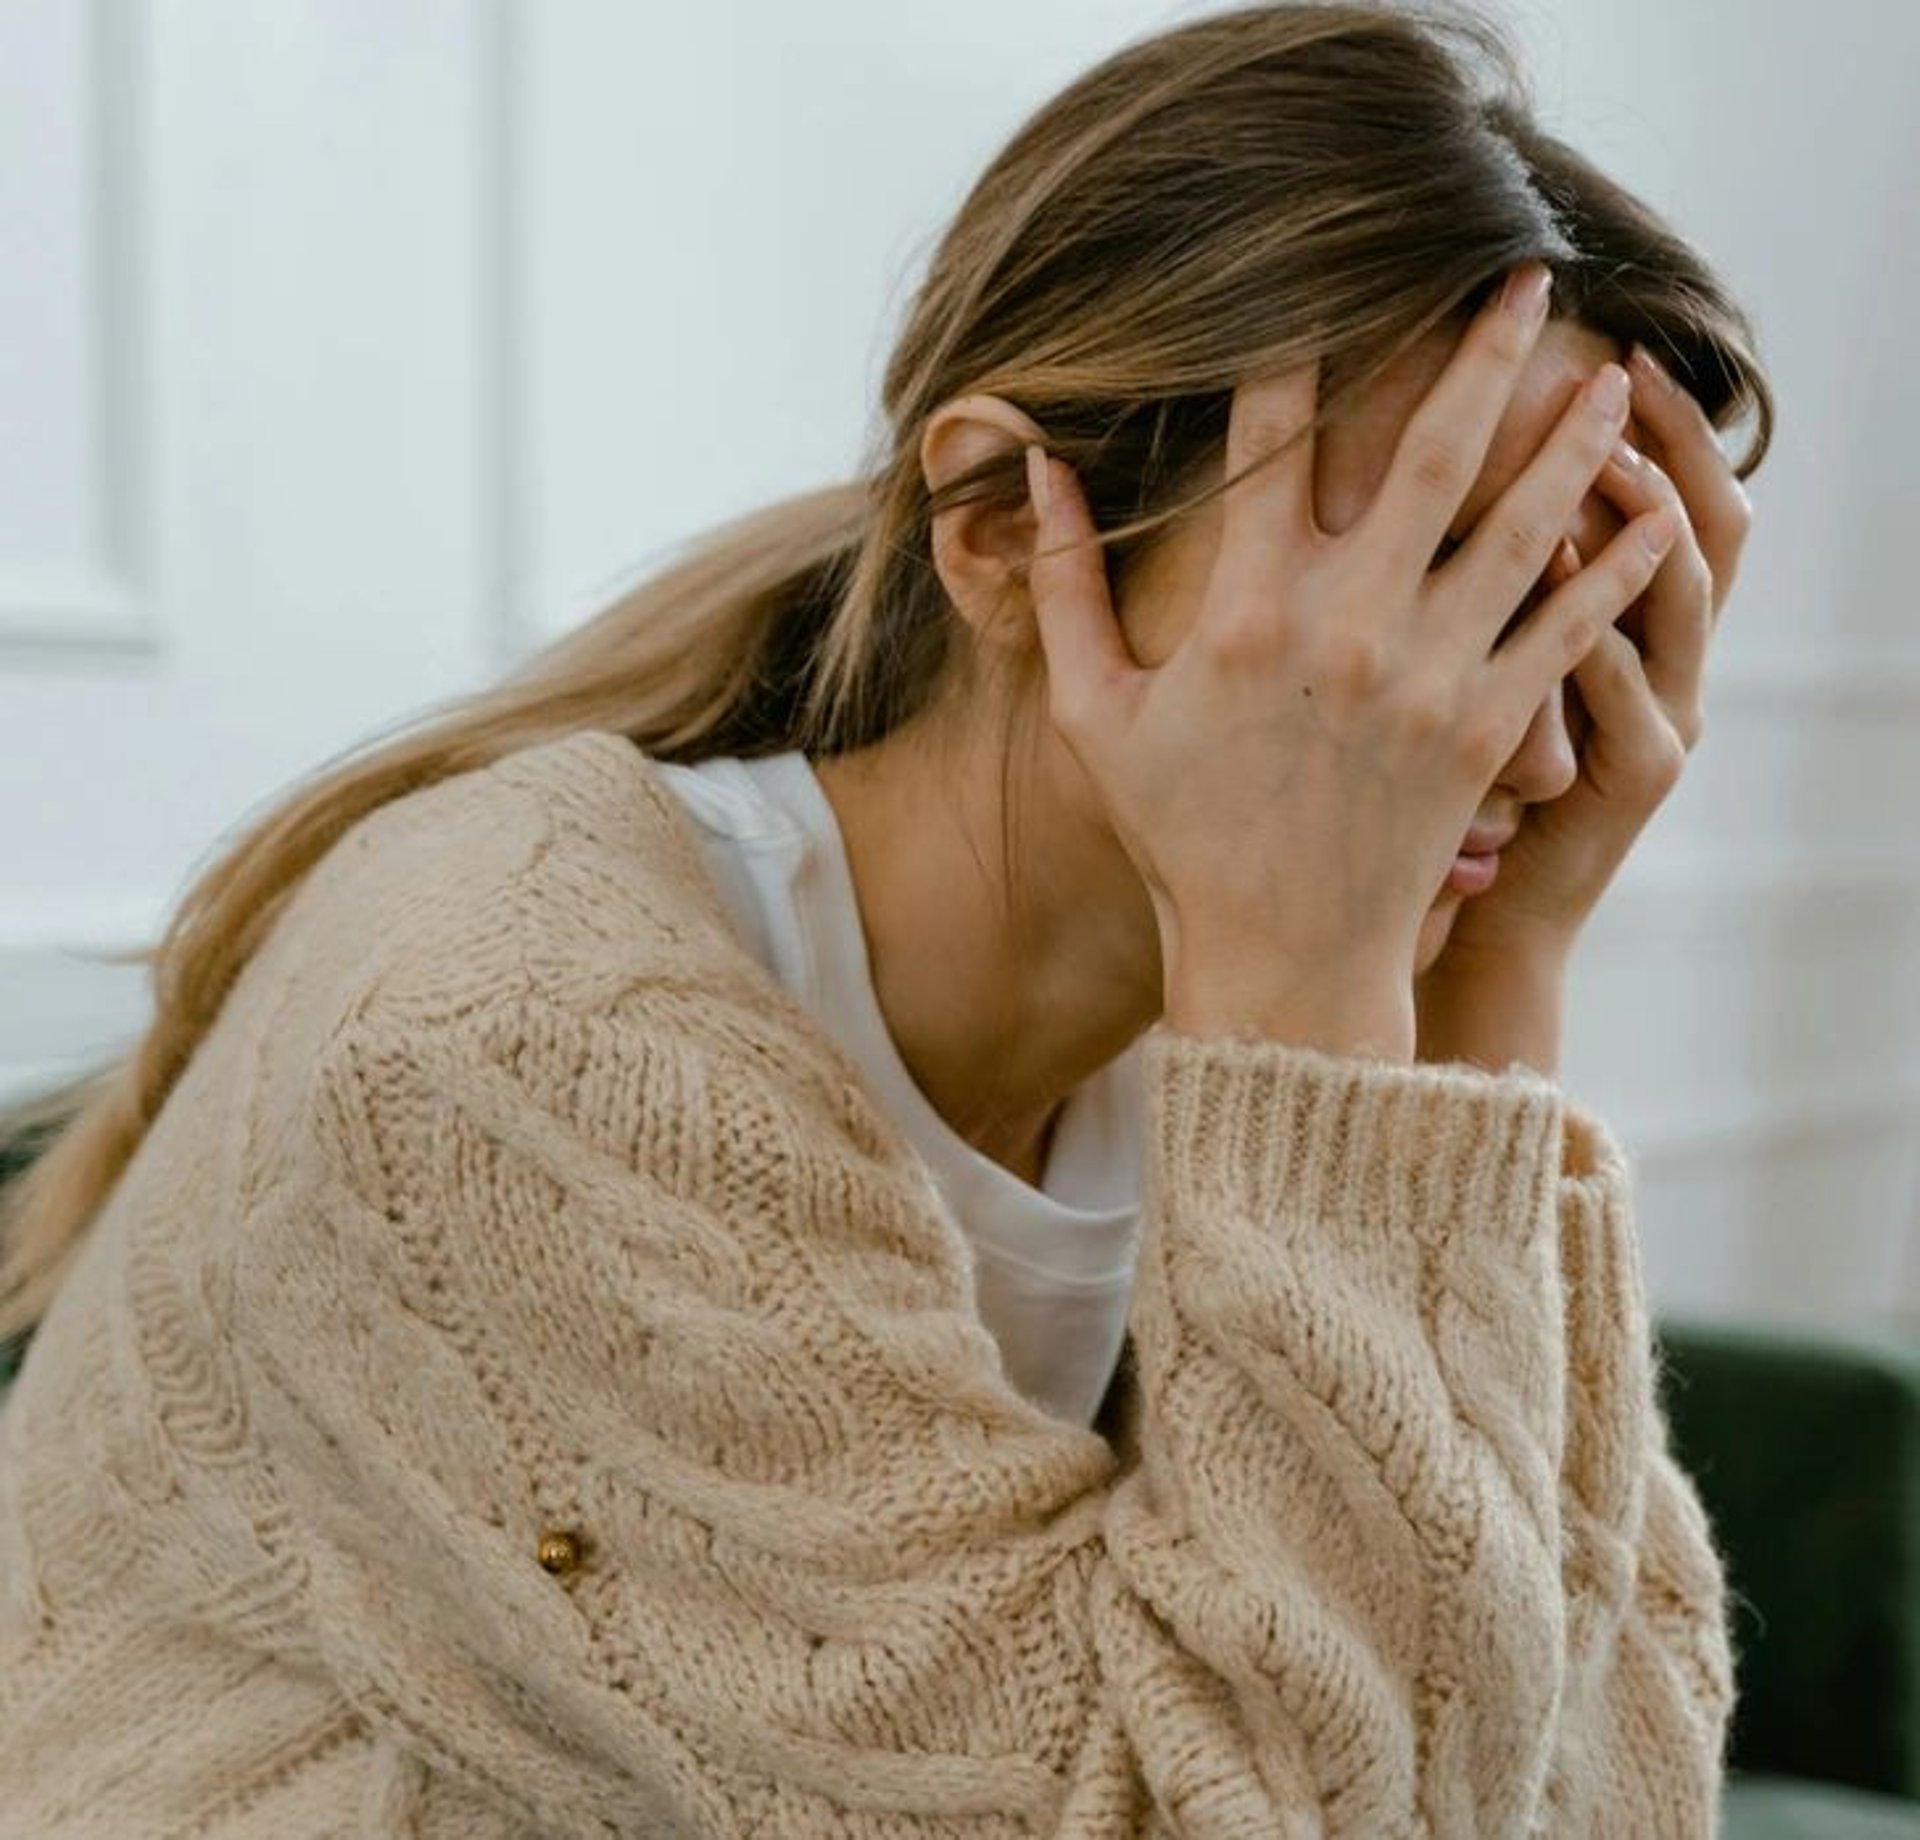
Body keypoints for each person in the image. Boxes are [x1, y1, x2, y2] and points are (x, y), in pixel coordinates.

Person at [0, 1, 1773, 1832]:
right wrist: (1341, 1022)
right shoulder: (516, 1045)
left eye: (1587, 611)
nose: (1512, 732)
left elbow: (1593, 1797)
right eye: (1422, 579)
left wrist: (1495, 986)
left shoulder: (1241, 996)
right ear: (1004, 527)